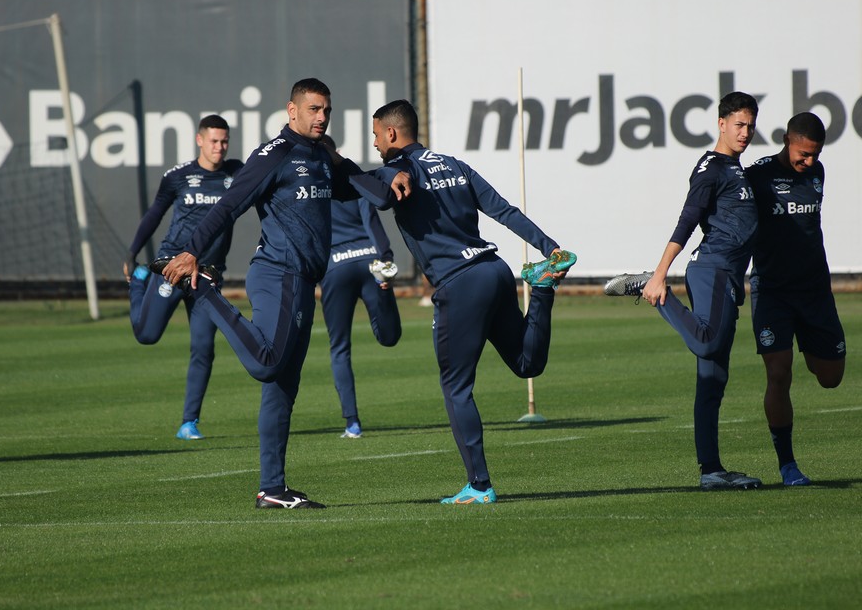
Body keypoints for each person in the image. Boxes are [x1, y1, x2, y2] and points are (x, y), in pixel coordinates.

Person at [155, 78, 408, 510]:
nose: (322, 117)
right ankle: (206, 293)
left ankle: (272, 489)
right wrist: (192, 251)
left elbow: (371, 193)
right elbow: (229, 205)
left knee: (283, 387)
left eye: (327, 110)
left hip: (305, 281)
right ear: (292, 111)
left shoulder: (322, 155)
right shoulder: (274, 155)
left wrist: (393, 172)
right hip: (278, 273)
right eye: (313, 109)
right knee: (267, 362)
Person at [337, 99, 576, 505]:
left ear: (391, 133)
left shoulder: (398, 169)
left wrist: (342, 163)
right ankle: (541, 289)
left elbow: (378, 194)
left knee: (455, 387)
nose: (375, 143)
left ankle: (479, 485)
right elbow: (503, 210)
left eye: (376, 135)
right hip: (494, 270)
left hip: (460, 284)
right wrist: (549, 247)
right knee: (527, 364)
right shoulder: (454, 165)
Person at [604, 91, 762, 491]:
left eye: (750, 125)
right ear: (721, 124)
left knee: (713, 379)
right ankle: (649, 287)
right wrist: (660, 275)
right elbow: (688, 220)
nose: (745, 132)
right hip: (712, 270)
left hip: (728, 277)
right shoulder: (712, 168)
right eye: (739, 124)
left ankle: (711, 471)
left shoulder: (736, 169)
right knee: (707, 344)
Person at [123, 115, 243, 441]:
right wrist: (133, 253)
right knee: (147, 335)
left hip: (207, 275)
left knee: (204, 347)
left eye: (224, 141)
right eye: (214, 141)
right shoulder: (178, 177)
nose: (220, 147)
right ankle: (139, 282)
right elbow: (155, 214)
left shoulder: (236, 174)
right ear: (199, 140)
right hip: (172, 268)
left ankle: (189, 422)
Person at [746, 112, 846, 486]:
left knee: (831, 378)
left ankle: (808, 344)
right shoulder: (758, 176)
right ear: (787, 140)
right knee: (778, 372)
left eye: (815, 154)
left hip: (814, 290)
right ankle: (787, 465)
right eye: (803, 153)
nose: (809, 161)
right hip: (772, 291)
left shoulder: (817, 173)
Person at [320, 191, 402, 439]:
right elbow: (371, 220)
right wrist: (385, 258)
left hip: (335, 266)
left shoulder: (312, 187)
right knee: (389, 337)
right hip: (369, 259)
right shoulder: (355, 183)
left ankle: (352, 423)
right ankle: (383, 288)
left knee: (339, 347)